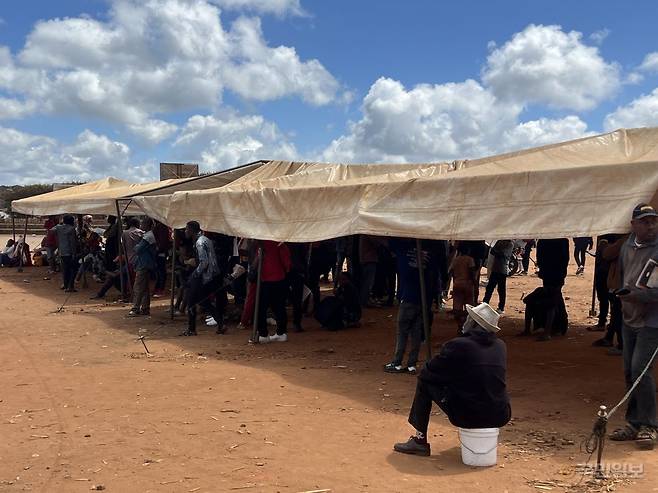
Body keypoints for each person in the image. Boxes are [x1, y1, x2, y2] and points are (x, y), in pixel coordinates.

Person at [393, 302, 511, 456]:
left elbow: (428, 373)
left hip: (469, 415)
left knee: (424, 382)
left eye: (468, 318)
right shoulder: (500, 346)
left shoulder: (458, 345)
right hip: (500, 414)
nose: (465, 320)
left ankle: (419, 440)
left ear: (473, 323)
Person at [609, 204, 658, 450]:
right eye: (645, 222)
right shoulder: (627, 246)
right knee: (629, 370)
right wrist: (623, 295)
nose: (651, 226)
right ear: (633, 225)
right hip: (629, 317)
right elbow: (624, 275)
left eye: (653, 221)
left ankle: (649, 425)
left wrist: (635, 295)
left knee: (640, 369)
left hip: (652, 320)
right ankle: (634, 422)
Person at [384, 238, 436, 375]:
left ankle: (397, 363)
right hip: (422, 299)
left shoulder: (402, 249)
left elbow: (389, 241)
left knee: (402, 332)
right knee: (416, 333)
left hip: (408, 298)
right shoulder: (428, 253)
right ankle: (412, 364)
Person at [180, 221, 223, 337]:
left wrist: (194, 275)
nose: (185, 231)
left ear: (192, 230)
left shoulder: (199, 243)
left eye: (187, 229)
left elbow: (204, 262)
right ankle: (221, 324)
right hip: (210, 276)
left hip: (202, 276)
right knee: (204, 301)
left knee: (191, 301)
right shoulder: (205, 239)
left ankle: (191, 329)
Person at [592, 234, 628, 354]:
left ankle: (622, 345)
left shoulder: (626, 241)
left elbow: (608, 254)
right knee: (616, 312)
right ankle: (609, 337)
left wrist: (603, 243)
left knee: (618, 313)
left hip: (621, 283)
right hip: (625, 282)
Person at [255, 240, 291, 343]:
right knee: (279, 307)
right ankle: (281, 333)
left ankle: (263, 334)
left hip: (267, 280)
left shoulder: (262, 243)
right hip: (278, 279)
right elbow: (287, 264)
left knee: (261, 308)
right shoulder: (279, 244)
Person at [535, 238, 570, 341]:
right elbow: (565, 259)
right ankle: (560, 326)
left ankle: (548, 331)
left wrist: (542, 271)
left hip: (548, 274)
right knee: (556, 298)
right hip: (557, 274)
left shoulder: (543, 240)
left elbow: (540, 258)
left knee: (552, 301)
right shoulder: (563, 240)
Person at [128, 218, 157, 317]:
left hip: (144, 264)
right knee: (144, 288)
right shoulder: (148, 235)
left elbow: (138, 249)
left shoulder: (147, 237)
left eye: (143, 224)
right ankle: (145, 308)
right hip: (146, 263)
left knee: (138, 287)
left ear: (147, 225)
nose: (141, 226)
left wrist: (137, 242)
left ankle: (135, 308)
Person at [449, 244, 476, 330]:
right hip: (467, 284)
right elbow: (472, 272)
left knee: (457, 307)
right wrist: (475, 284)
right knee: (469, 307)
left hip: (457, 283)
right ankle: (467, 326)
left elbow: (451, 272)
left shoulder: (456, 260)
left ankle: (460, 326)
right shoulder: (470, 259)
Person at [483, 240, 513, 314]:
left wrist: (497, 250)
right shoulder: (499, 242)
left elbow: (503, 254)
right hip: (495, 268)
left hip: (502, 269)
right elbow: (493, 252)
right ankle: (485, 303)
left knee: (501, 289)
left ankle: (501, 307)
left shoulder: (510, 244)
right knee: (489, 288)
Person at [52, 215, 78, 292]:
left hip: (62, 251)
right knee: (73, 270)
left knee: (65, 270)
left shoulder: (58, 227)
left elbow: (51, 231)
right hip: (69, 251)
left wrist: (60, 225)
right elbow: (72, 242)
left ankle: (65, 285)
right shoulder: (71, 229)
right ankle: (70, 286)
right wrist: (74, 253)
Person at [152, 221, 171, 298]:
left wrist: (157, 251)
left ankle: (160, 289)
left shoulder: (161, 227)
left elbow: (162, 242)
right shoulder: (161, 226)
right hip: (160, 252)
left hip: (160, 253)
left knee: (161, 272)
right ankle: (158, 288)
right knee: (160, 271)